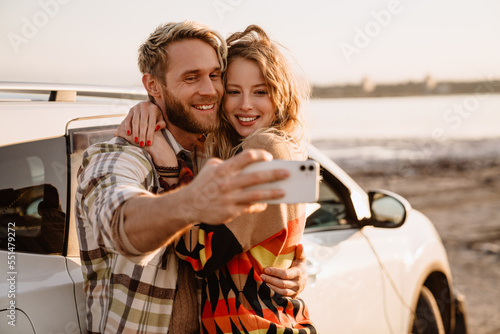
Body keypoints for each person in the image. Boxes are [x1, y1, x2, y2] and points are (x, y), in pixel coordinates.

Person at [75, 21, 304, 334]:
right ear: (153, 86)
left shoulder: (229, 153)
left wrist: (302, 267)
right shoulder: (117, 157)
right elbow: (119, 223)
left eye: (214, 76)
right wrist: (188, 202)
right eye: (191, 77)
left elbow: (295, 224)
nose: (210, 89)